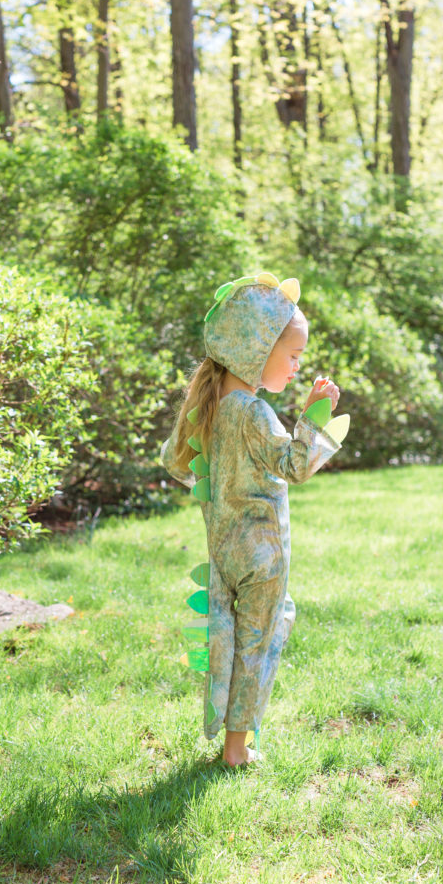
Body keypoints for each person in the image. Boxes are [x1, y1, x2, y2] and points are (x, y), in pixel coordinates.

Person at [160, 272, 349, 766]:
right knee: (257, 642)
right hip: (263, 554)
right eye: (292, 356)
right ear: (256, 349)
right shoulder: (254, 413)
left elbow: (176, 463)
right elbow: (295, 466)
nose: (295, 367)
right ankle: (237, 750)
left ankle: (234, 740)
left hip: (225, 547)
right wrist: (314, 416)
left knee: (229, 635)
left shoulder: (212, 407)